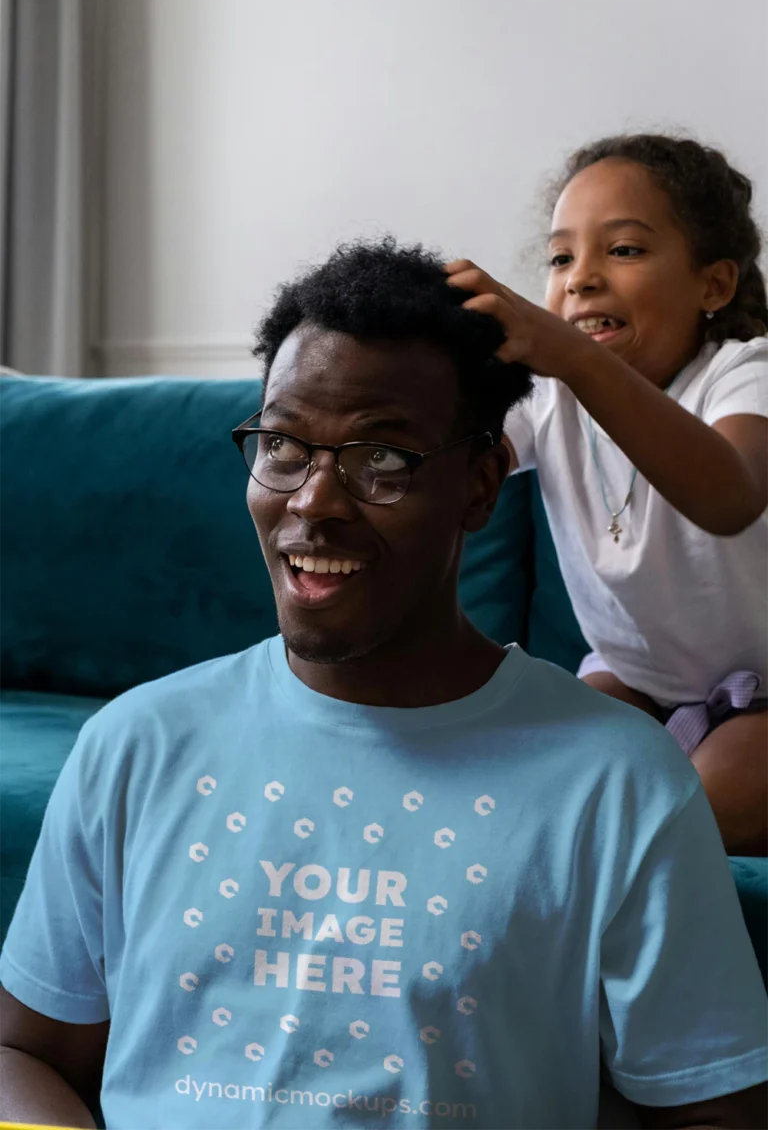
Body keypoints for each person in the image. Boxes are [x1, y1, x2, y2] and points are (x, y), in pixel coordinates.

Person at [1, 239, 767, 1129]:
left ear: (481, 486)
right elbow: (24, 1051)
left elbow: (717, 1113)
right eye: (284, 445)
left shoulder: (618, 782)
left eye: (383, 461)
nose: (315, 500)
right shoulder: (134, 747)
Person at [446, 134, 768, 857]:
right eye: (561, 258)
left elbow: (731, 496)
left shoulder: (745, 373)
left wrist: (573, 358)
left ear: (712, 286)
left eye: (622, 250)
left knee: (702, 812)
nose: (580, 278)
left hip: (766, 698)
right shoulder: (547, 394)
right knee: (532, 786)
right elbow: (462, 464)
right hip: (638, 681)